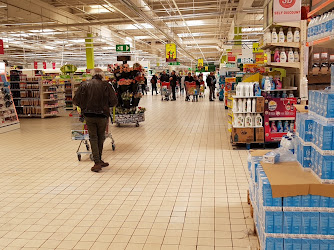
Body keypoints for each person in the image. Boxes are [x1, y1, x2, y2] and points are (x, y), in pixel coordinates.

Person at [73, 68, 118, 173]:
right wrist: (106, 105)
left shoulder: (84, 85)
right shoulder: (107, 85)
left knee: (93, 137)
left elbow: (76, 100)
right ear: (102, 75)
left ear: (91, 74)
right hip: (102, 115)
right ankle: (97, 161)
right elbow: (114, 102)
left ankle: (98, 161)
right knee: (100, 137)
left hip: (89, 115)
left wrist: (84, 106)